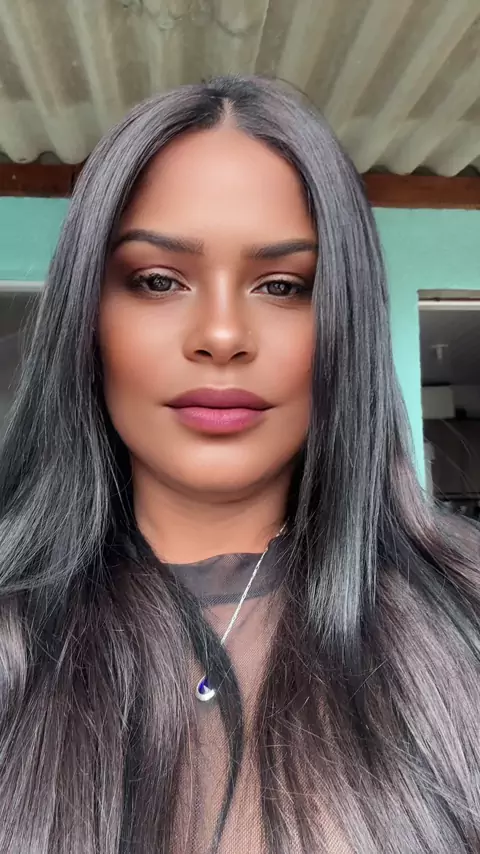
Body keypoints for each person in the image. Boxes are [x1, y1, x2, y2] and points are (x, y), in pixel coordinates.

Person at [0, 75, 479, 854]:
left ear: (345, 323)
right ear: (88, 319)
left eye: (282, 285)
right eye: (159, 280)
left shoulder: (464, 620)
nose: (222, 335)